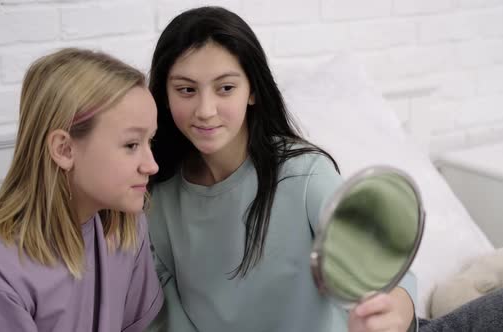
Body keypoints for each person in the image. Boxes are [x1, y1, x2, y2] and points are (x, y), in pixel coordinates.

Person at [147, 6, 417, 332]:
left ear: (253, 91)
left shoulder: (306, 175)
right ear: (164, 95)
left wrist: (397, 314)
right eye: (186, 90)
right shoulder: (158, 199)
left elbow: (386, 272)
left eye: (225, 88)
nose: (205, 110)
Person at [0, 48, 163, 331]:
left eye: (150, 141)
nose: (151, 165)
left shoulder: (126, 230)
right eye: (131, 145)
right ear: (64, 149)